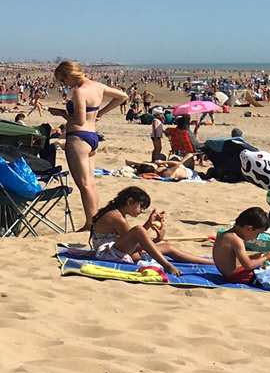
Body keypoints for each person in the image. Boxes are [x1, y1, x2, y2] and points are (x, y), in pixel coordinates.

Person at [53, 60, 130, 230]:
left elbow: (79, 120)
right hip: (92, 136)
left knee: (84, 184)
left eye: (63, 80)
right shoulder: (98, 86)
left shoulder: (79, 92)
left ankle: (90, 223)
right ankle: (95, 221)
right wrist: (100, 113)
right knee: (91, 183)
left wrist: (62, 114)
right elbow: (123, 96)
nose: (64, 84)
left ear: (68, 76)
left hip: (78, 138)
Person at [86, 186, 208, 269]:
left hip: (115, 250)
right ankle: (166, 265)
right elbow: (135, 239)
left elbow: (132, 240)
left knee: (167, 247)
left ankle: (211, 262)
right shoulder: (117, 218)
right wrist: (155, 240)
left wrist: (149, 225)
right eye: (141, 207)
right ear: (129, 201)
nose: (142, 211)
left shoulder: (117, 213)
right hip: (108, 253)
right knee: (141, 231)